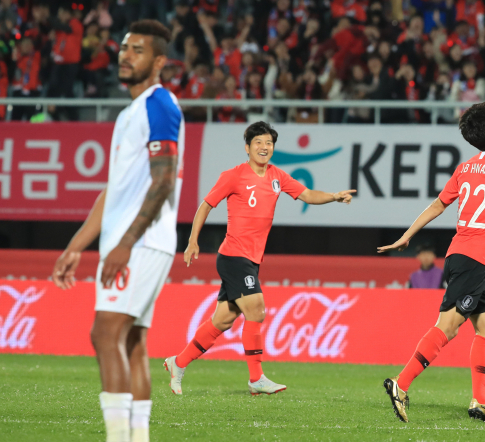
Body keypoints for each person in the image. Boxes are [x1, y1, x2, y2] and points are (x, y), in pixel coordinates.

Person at [52, 20, 182, 442]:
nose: (126, 55)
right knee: (132, 343)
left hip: (140, 242)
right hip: (138, 242)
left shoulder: (159, 104)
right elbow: (114, 190)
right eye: (125, 48)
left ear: (158, 61)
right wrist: (76, 245)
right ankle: (136, 438)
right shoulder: (130, 112)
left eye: (138, 50)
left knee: (104, 332)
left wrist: (125, 243)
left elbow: (165, 180)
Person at [163, 121, 356, 396]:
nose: (264, 147)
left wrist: (333, 197)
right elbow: (206, 204)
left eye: (269, 143)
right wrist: (193, 240)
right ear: (247, 148)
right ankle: (256, 378)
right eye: (258, 143)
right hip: (233, 256)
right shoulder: (233, 176)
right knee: (257, 309)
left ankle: (177, 363)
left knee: (223, 321)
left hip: (251, 259)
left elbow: (307, 194)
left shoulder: (277, 175)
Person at [378, 101, 485, 424]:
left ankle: (479, 401)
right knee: (447, 326)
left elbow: (439, 205)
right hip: (475, 260)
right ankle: (401, 384)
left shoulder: (465, 168)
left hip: (457, 255)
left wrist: (407, 235)